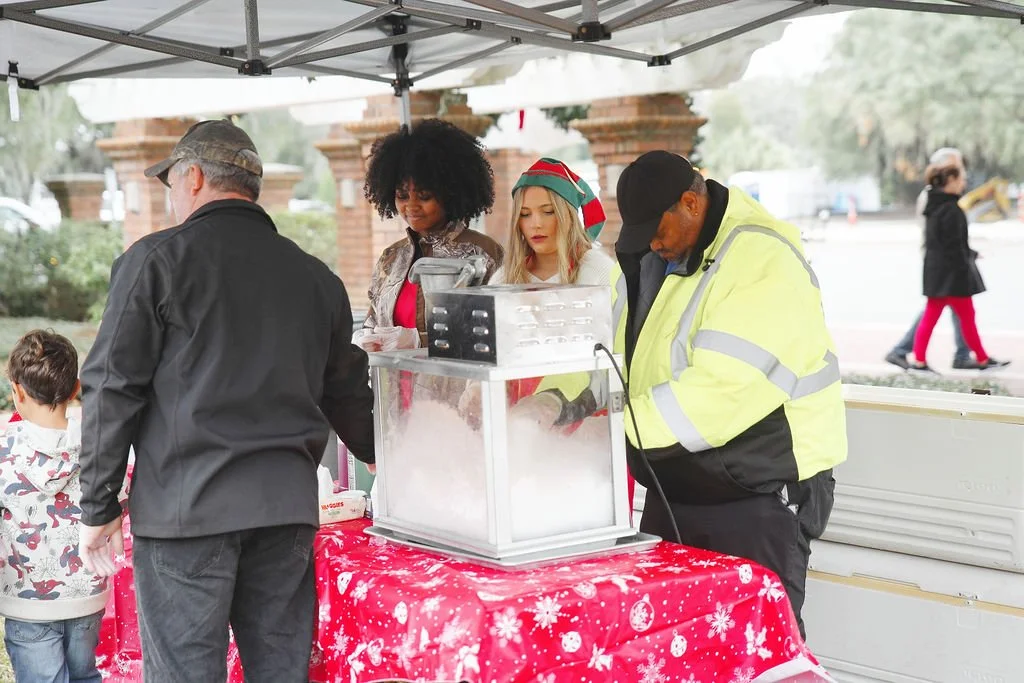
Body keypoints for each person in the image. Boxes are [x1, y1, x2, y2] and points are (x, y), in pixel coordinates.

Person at [76, 119, 375, 683]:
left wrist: (97, 505)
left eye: (170, 184)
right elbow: (348, 396)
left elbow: (112, 386)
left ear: (191, 178)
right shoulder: (316, 279)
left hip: (189, 512)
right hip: (284, 512)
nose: (169, 198)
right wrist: (381, 455)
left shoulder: (155, 261)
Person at [515, 151, 846, 637]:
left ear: (691, 203)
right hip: (676, 488)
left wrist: (614, 428)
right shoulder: (658, 257)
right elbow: (612, 352)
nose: (651, 241)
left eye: (657, 228)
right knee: (667, 646)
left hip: (757, 494)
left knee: (752, 650)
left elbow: (720, 393)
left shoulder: (761, 261)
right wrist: (561, 399)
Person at [0, 330, 107, 683]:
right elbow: (116, 501)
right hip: (88, 597)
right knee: (85, 675)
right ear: (76, 389)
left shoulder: (4, 449)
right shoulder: (98, 443)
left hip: (28, 603)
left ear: (16, 390)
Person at [357, 118, 503, 352]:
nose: (411, 206)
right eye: (402, 196)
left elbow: (495, 332)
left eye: (424, 196)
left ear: (451, 193)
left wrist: (418, 342)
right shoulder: (391, 257)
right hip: (395, 384)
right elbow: (373, 320)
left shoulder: (482, 253)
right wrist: (366, 338)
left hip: (458, 386)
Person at [910, 153, 1009, 372]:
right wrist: (968, 261)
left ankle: (919, 360)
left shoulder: (933, 206)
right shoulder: (952, 209)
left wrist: (971, 254)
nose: (964, 183)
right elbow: (955, 246)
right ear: (951, 181)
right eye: (961, 179)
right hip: (953, 277)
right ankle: (982, 360)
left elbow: (942, 242)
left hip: (937, 273)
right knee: (966, 318)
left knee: (933, 316)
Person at [885, 147, 975, 371]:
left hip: (945, 262)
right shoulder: (933, 197)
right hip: (940, 263)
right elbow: (937, 235)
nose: (960, 170)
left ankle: (962, 354)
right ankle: (902, 350)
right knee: (936, 309)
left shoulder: (941, 195)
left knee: (954, 308)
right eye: (955, 165)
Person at [490, 157, 614, 286]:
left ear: (570, 216)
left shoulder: (600, 272)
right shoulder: (503, 279)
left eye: (548, 211)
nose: (536, 224)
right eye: (525, 214)